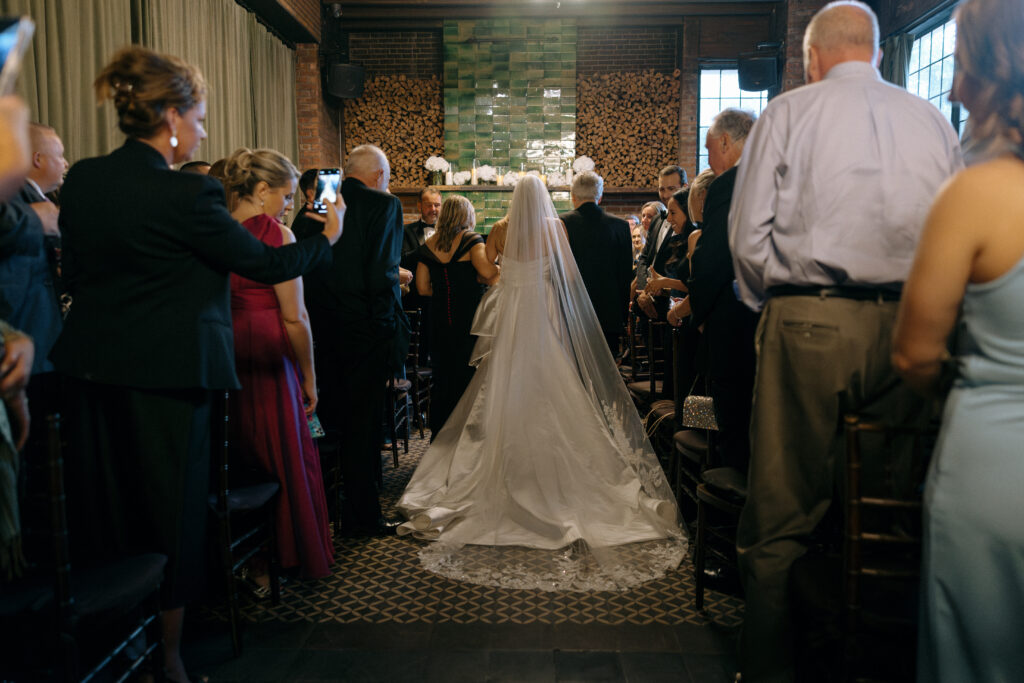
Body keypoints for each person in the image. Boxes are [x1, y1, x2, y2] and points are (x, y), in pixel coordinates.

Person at [51, 46, 344, 683]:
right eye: (201, 117)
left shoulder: (85, 181)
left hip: (88, 370)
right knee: (173, 517)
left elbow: (76, 272)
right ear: (174, 117)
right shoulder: (190, 195)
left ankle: (111, 650)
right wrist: (325, 236)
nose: (205, 131)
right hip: (172, 376)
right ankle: (171, 662)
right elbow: (266, 266)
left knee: (105, 512)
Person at [727, 2, 963, 678]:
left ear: (812, 58)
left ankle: (770, 668)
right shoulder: (930, 120)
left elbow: (747, 240)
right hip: (908, 329)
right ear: (878, 53)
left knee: (780, 517)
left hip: (809, 321)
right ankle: (872, 664)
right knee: (887, 511)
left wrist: (773, 305)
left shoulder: (788, 114)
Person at [396, 176, 686, 591]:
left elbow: (487, 272)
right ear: (545, 199)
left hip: (514, 317)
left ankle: (506, 469)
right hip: (545, 315)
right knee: (555, 387)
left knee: (505, 386)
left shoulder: (499, 229)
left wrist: (512, 274)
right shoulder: (556, 228)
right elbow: (567, 275)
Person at [892, 0, 1024, 679]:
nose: (952, 88)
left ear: (997, 70)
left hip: (996, 465)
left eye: (964, 66)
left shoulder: (979, 194)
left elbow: (914, 352)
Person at [223, 148, 333, 580]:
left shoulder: (216, 231)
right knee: (281, 453)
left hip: (226, 348)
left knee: (238, 452)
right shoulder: (277, 236)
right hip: (269, 350)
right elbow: (295, 316)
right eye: (287, 197)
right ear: (263, 190)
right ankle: (283, 551)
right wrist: (309, 376)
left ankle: (243, 559)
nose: (290, 207)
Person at [304, 144, 404, 538]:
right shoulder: (385, 205)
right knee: (363, 427)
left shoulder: (326, 194)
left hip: (320, 327)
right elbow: (384, 273)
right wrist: (385, 331)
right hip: (363, 331)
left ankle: (322, 510)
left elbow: (306, 255)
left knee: (328, 423)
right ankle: (361, 517)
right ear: (379, 176)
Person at [414, 195, 497, 438]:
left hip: (439, 319)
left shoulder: (429, 245)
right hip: (468, 317)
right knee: (468, 374)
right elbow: (487, 273)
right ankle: (468, 432)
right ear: (466, 216)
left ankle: (441, 432)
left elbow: (422, 288)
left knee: (442, 375)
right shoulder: (471, 240)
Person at [561, 171, 633, 355]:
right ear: (599, 196)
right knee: (607, 371)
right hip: (609, 312)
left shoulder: (562, 223)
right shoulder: (621, 226)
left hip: (572, 310)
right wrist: (623, 317)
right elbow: (625, 275)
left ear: (573, 196)